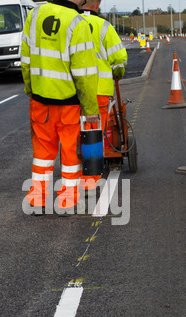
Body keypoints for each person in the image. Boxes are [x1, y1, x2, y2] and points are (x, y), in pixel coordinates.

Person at [21, 0, 100, 213]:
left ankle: (38, 198)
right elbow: (85, 74)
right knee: (70, 153)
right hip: (69, 104)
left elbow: (26, 60)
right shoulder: (78, 23)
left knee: (42, 152)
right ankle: (68, 200)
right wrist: (91, 109)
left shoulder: (34, 16)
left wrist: (30, 89)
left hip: (40, 100)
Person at [79, 0, 128, 191]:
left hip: (73, 90)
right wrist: (118, 73)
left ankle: (73, 178)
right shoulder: (104, 26)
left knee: (75, 133)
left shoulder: (70, 23)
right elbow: (118, 59)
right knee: (94, 132)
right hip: (99, 89)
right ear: (97, 4)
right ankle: (89, 182)